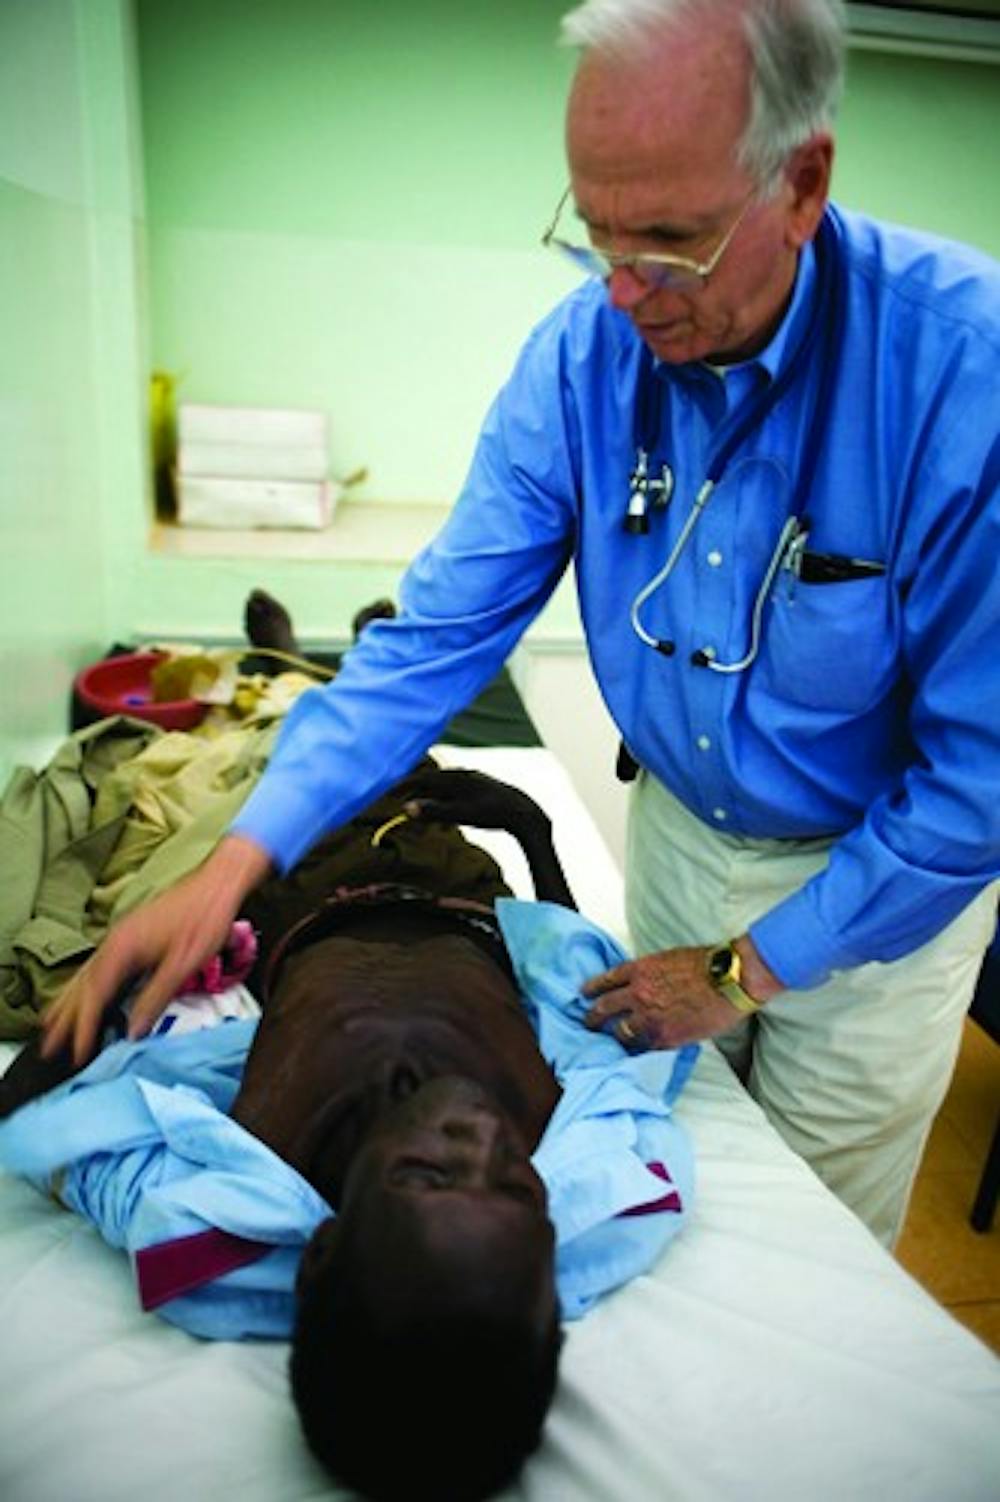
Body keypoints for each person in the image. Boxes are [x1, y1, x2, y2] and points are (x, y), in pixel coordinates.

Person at [42, 0, 1000, 1251]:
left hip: (875, 891)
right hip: (679, 830)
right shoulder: (585, 358)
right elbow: (431, 637)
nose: (624, 292)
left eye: (669, 242)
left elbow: (976, 786)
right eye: (593, 235)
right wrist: (231, 863)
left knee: (808, 1237)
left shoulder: (959, 378)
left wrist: (741, 972)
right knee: (680, 1191)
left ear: (802, 182)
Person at [2, 752, 695, 1501]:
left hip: (297, 891)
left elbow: (42, 1127)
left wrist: (114, 970)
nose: (483, 1138)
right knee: (406, 751)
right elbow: (583, 981)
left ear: (319, 1250)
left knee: (314, 751)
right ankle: (371, 639)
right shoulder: (580, 1140)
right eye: (519, 1189)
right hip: (462, 890)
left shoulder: (264, 1144)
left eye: (426, 1172)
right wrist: (533, 834)